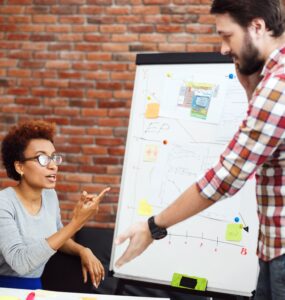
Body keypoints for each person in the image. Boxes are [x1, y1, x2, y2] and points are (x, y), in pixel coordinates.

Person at [115, 0, 285, 299]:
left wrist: (154, 227)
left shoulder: (279, 84)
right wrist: (249, 90)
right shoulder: (270, 81)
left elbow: (226, 177)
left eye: (226, 35)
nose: (222, 49)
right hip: (273, 247)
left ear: (257, 27)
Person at [0, 120, 110, 289]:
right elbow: (20, 263)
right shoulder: (4, 203)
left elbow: (57, 236)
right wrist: (76, 223)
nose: (53, 165)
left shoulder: (50, 196)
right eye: (42, 158)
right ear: (20, 166)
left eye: (53, 157)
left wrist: (82, 250)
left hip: (36, 287)